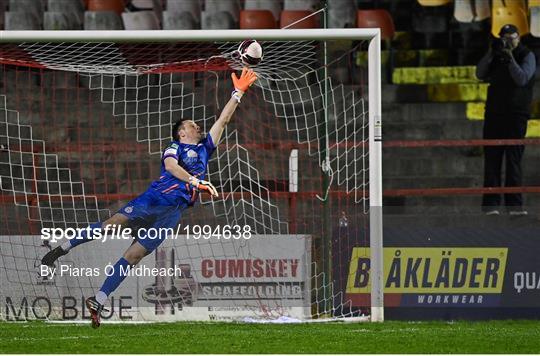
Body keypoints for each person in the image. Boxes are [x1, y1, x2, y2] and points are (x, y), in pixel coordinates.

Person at [41, 67, 258, 328]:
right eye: (191, 124)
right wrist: (195, 181)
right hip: (153, 200)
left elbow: (223, 121)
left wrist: (237, 93)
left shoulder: (204, 149)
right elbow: (170, 168)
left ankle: (98, 299)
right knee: (110, 227)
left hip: (172, 213)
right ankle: (60, 249)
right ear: (181, 132)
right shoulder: (175, 147)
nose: (197, 126)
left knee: (134, 256)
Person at [476, 24, 535, 215]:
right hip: (494, 113)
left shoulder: (527, 55)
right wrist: (491, 53)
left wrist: (510, 58)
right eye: (504, 37)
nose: (508, 41)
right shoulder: (496, 54)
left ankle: (514, 206)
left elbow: (522, 79)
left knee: (513, 160)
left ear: (519, 38)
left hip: (516, 114)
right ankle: (491, 205)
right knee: (492, 160)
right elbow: (480, 73)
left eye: (512, 37)